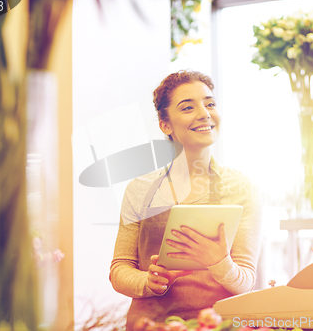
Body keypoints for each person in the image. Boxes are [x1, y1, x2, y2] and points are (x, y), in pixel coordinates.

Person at [110, 70, 262, 330]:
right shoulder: (140, 189)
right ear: (165, 124)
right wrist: (148, 281)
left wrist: (219, 262)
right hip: (151, 325)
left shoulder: (242, 188)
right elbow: (120, 269)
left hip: (220, 324)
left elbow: (246, 280)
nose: (204, 113)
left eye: (210, 103)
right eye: (188, 107)